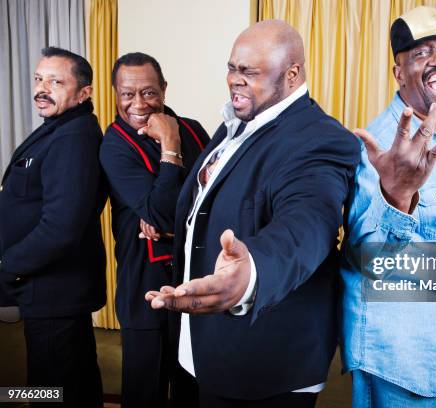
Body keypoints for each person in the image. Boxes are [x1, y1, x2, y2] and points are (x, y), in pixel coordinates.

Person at [145, 19, 360, 407]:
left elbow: (305, 226)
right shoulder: (239, 123)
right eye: (232, 67)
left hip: (262, 366)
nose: (234, 80)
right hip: (204, 348)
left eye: (249, 71)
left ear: (292, 74)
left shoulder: (320, 139)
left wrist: (252, 273)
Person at [340, 6, 436, 407]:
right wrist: (398, 198)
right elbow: (366, 256)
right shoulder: (382, 146)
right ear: (399, 73)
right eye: (422, 53)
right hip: (402, 356)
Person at [99, 52, 209, 408]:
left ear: (163, 88)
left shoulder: (193, 128)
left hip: (194, 277)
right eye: (127, 94)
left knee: (191, 385)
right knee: (145, 391)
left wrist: (176, 227)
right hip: (143, 282)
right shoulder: (114, 145)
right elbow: (162, 214)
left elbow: (215, 204)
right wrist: (171, 149)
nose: (138, 104)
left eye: (148, 92)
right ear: (115, 94)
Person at [0, 46, 106, 407]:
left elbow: (61, 227)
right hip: (47, 289)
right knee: (69, 386)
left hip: (53, 290)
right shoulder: (58, 127)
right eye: (38, 78)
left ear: (83, 92)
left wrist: (8, 267)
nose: (42, 88)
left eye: (56, 81)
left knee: (52, 391)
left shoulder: (73, 137)